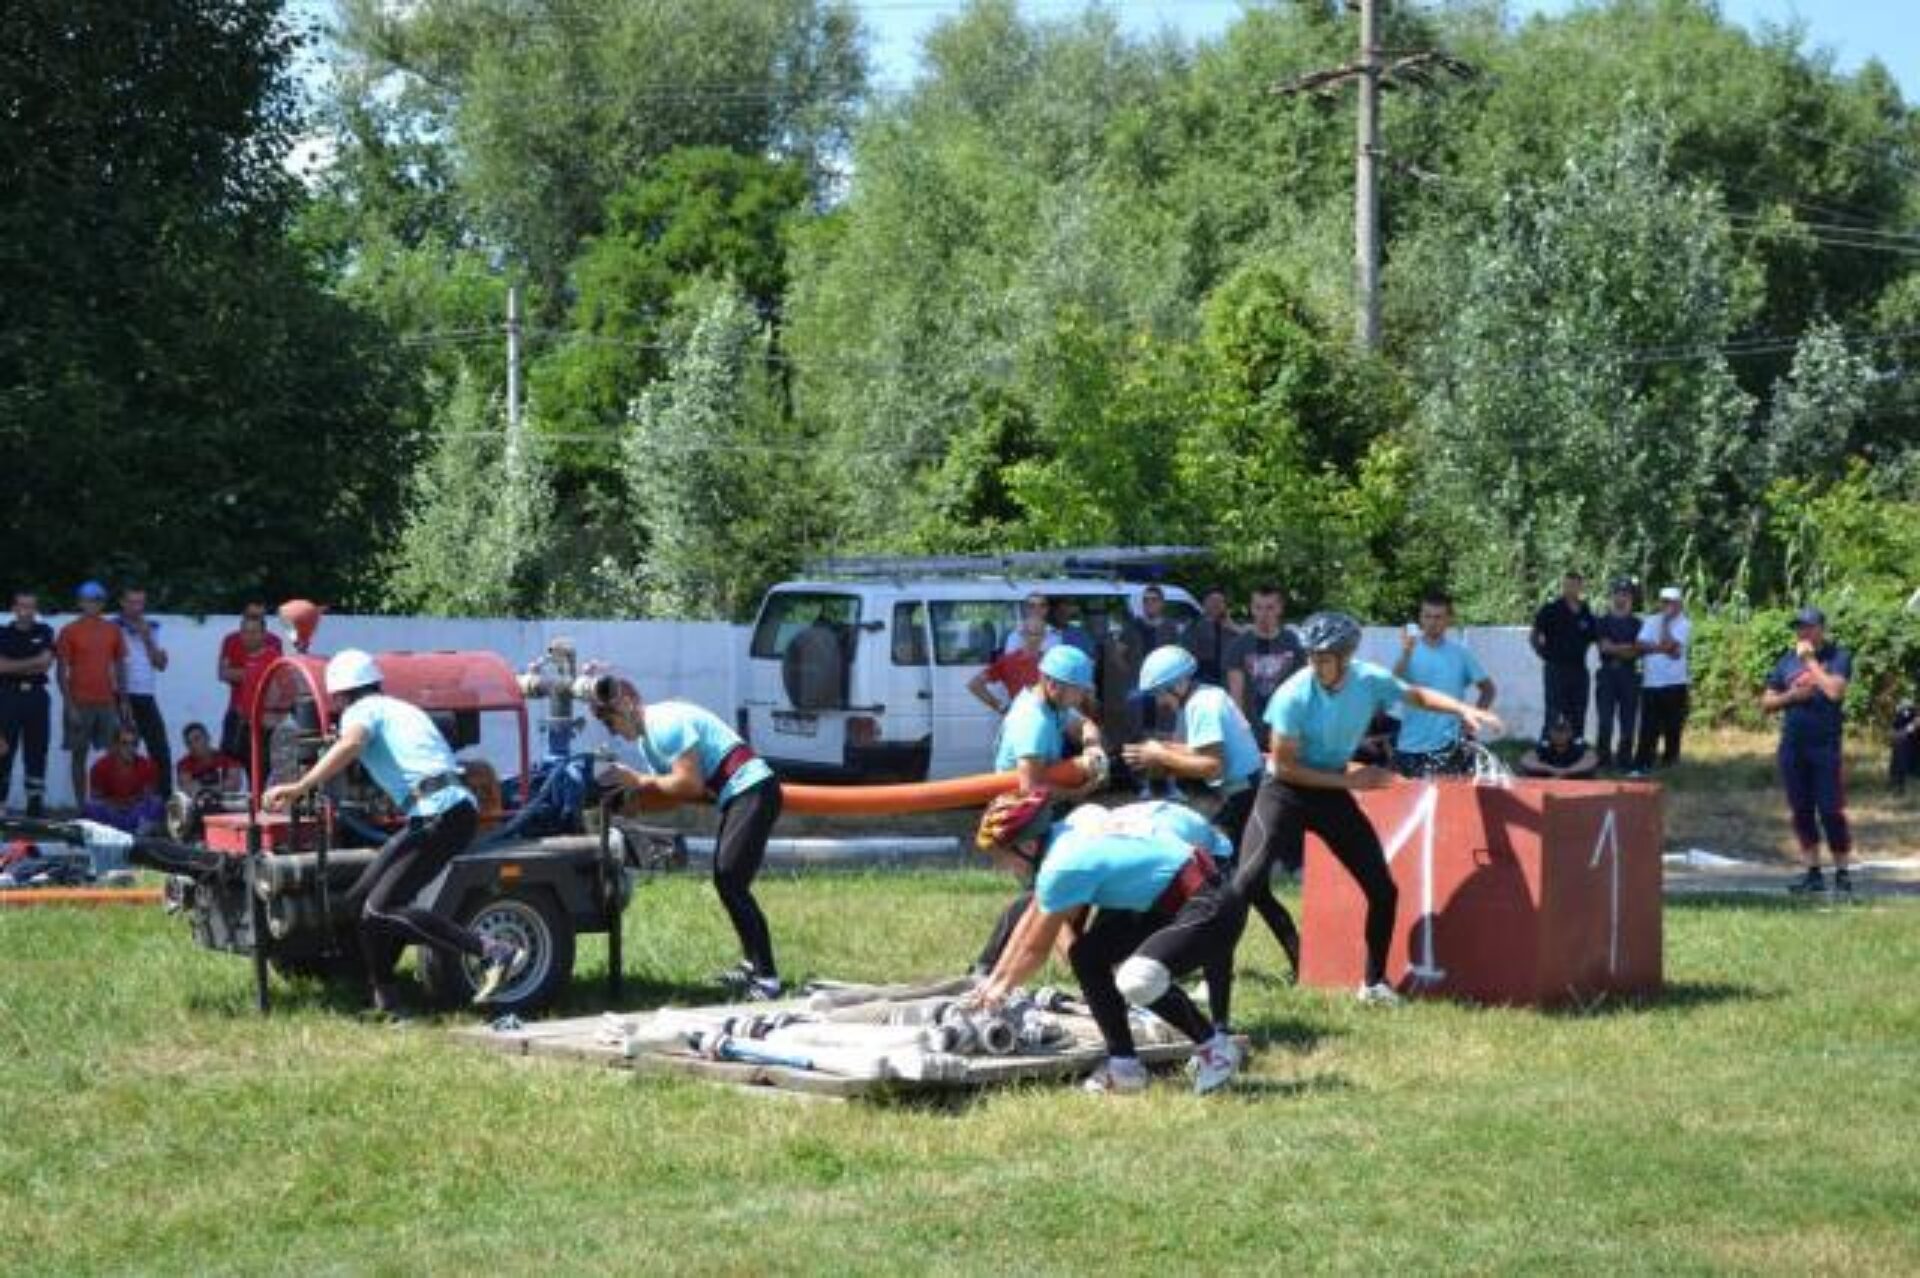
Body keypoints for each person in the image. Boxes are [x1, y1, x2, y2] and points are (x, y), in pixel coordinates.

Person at [1238, 612, 1503, 1004]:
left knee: (1383, 890)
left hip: (1331, 792)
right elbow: (1288, 767)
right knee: (1245, 883)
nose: (1316, 666)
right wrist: (1352, 781)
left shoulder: (1368, 679)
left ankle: (1374, 983)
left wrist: (1462, 710)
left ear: (1346, 658)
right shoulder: (1292, 695)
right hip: (1284, 790)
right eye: (1312, 657)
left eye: (1324, 659)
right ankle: (1214, 972)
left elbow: (1416, 695)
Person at [262, 650, 524, 1012]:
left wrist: (300, 786)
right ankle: (385, 1001)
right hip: (444, 811)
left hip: (439, 813)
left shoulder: (361, 710)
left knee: (380, 909)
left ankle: (493, 951)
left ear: (341, 695)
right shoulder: (400, 708)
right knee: (361, 901)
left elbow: (352, 743)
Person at [965, 788, 1246, 1096]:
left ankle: (1216, 1049)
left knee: (1137, 979)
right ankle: (1125, 1067)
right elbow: (1031, 919)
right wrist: (994, 982)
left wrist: (1001, 991)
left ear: (1029, 846)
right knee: (1087, 955)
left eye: (1002, 857)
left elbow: (1035, 948)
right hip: (1174, 900)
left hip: (1211, 902)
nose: (1001, 867)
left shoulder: (1063, 865)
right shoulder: (1064, 836)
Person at [588, 673, 786, 999]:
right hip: (743, 792)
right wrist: (630, 804)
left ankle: (767, 979)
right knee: (729, 882)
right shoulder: (647, 741)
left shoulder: (664, 724)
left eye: (611, 723)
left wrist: (639, 782)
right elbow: (672, 792)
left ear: (627, 705)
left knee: (731, 880)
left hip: (753, 790)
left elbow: (689, 784)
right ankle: (753, 966)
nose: (613, 732)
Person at [1122, 645, 1299, 979]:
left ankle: (1210, 970)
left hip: (1244, 800)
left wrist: (1160, 757)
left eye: (1160, 694)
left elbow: (1211, 765)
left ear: (1177, 685)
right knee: (1252, 890)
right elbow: (1198, 750)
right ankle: (1301, 963)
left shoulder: (1202, 706)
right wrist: (1159, 748)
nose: (1160, 703)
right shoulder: (1205, 697)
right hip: (1246, 796)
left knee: (1216, 888)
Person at [972, 646, 1108, 973]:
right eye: (1078, 690)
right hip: (1019, 820)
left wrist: (1093, 749)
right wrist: (1080, 791)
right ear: (1052, 684)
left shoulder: (1053, 705)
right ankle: (1080, 968)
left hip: (1037, 811)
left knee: (1057, 891)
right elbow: (1030, 789)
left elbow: (1085, 725)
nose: (1081, 698)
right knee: (1044, 896)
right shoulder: (1032, 720)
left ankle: (1080, 964)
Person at [1761, 608, 1854, 895]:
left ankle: (1842, 874)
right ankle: (1813, 873)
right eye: (1799, 627)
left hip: (1825, 745)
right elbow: (1766, 702)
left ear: (1821, 628)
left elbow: (1835, 692)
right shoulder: (1786, 661)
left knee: (1830, 810)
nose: (1803, 632)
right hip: (1793, 746)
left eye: (1808, 627)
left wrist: (1811, 662)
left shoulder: (1838, 656)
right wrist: (1792, 696)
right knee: (1801, 811)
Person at [1390, 591, 1496, 778]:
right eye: (1427, 616)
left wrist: (1472, 720)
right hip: (1409, 745)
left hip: (1449, 746)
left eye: (1438, 617)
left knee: (1448, 797)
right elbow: (1391, 685)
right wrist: (1406, 653)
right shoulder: (1407, 652)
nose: (1432, 622)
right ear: (1420, 618)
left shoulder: (1460, 654)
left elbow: (1488, 689)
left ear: (1449, 619)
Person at [55, 581, 127, 808]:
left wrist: (123, 701)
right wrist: (69, 706)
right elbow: (61, 671)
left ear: (103, 604)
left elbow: (120, 667)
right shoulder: (69, 631)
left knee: (115, 753)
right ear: (80, 603)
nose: (92, 605)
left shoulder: (113, 630)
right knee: (79, 755)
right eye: (87, 600)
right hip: (79, 702)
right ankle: (81, 807)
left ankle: (114, 803)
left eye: (97, 600)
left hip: (107, 702)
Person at [1226, 586, 1305, 744]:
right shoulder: (1239, 645)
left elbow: (1303, 689)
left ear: (1280, 609)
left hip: (1286, 727)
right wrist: (1240, 732)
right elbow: (1236, 696)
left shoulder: (1294, 643)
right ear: (1251, 609)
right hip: (1251, 728)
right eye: (1258, 607)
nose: (1263, 614)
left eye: (1270, 608)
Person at [0, 591, 55, 816]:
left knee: (37, 750)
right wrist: (33, 663)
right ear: (14, 608)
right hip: (7, 696)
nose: (26, 611)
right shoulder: (2, 633)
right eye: (22, 606)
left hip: (36, 697)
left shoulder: (45, 631)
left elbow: (46, 663)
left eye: (31, 606)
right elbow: (1, 667)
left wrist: (13, 665)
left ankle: (34, 806)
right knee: (4, 750)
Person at [114, 587, 171, 788]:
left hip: (146, 694)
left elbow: (161, 664)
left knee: (159, 748)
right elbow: (113, 663)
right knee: (123, 750)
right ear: (122, 602)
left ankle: (164, 798)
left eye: (140, 603)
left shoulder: (152, 627)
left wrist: (147, 638)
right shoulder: (113, 627)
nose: (136, 608)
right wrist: (123, 699)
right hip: (119, 695)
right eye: (132, 602)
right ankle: (121, 795)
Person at [1530, 571, 1596, 740]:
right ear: (1563, 586)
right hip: (1556, 669)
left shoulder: (1586, 610)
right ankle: (1547, 747)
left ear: (1581, 587)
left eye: (1575, 585)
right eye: (1567, 585)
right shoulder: (1551, 609)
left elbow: (1594, 636)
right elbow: (1534, 635)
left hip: (1579, 669)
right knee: (1553, 712)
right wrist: (1544, 655)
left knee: (1578, 711)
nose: (1571, 588)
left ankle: (1576, 745)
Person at [1634, 586, 1692, 772]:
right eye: (1664, 602)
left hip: (1675, 682)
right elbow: (1639, 645)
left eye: (1671, 602)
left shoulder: (1684, 623)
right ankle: (1644, 762)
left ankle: (1670, 761)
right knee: (1648, 726)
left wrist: (1666, 624)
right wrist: (1662, 648)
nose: (1667, 606)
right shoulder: (1650, 620)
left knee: (1673, 726)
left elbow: (1670, 645)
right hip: (1651, 682)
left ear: (1679, 604)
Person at [217, 604, 284, 762]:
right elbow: (223, 673)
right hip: (237, 711)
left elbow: (277, 679)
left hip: (265, 716)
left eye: (258, 616)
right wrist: (257, 672)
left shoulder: (275, 643)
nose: (249, 636)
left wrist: (244, 672)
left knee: (262, 763)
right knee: (229, 759)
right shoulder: (231, 640)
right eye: (250, 615)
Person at [1592, 579, 1643, 772]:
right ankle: (1603, 758)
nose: (1622, 597)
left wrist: (1617, 648)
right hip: (1607, 674)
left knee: (1628, 720)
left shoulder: (1637, 624)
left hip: (1629, 675)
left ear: (1631, 597)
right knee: (1605, 720)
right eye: (1618, 593)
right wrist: (1626, 647)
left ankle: (1625, 759)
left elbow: (1637, 651)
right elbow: (1604, 647)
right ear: (1612, 596)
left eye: (1626, 594)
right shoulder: (1602, 621)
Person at [83, 726, 164, 834]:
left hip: (135, 812)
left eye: (133, 744)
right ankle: (127, 830)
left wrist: (131, 803)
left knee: (157, 802)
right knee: (91, 806)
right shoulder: (99, 767)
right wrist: (115, 805)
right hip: (112, 812)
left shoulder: (148, 766)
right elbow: (96, 798)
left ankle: (130, 829)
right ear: (116, 745)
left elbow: (149, 796)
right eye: (125, 743)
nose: (130, 748)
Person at [968, 616, 1046, 715]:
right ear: (1022, 634)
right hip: (1021, 719)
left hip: (1049, 720)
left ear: (1044, 636)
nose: (1034, 638)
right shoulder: (1008, 661)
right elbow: (974, 685)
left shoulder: (1051, 660)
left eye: (1038, 634)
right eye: (1029, 633)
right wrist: (1002, 708)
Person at [1183, 587, 1239, 686]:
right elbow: (1186, 654)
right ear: (1204, 603)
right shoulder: (1194, 626)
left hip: (1227, 678)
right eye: (1212, 600)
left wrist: (1233, 628)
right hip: (1201, 679)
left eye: (1220, 601)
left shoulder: (1232, 627)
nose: (1216, 604)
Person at [175, 721, 247, 796]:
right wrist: (220, 787)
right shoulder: (184, 764)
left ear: (208, 738)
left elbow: (235, 785)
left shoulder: (227, 759)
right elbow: (187, 788)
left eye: (197, 739)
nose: (193, 745)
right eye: (189, 742)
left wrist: (203, 788)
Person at [1517, 715, 1599, 779]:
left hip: (1573, 776)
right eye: (1556, 731)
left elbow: (1591, 759)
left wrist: (1568, 771)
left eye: (1563, 731)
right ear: (1550, 732)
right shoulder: (1545, 745)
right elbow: (1526, 759)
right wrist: (1550, 769)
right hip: (1548, 776)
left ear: (1570, 733)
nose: (1559, 735)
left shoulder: (1577, 745)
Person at [1891, 699, 1917, 794]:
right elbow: (1897, 727)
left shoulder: (1910, 714)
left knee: (1900, 764)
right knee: (1899, 764)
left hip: (1904, 741)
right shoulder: (1901, 715)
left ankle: (1899, 786)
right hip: (1902, 741)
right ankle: (1899, 786)